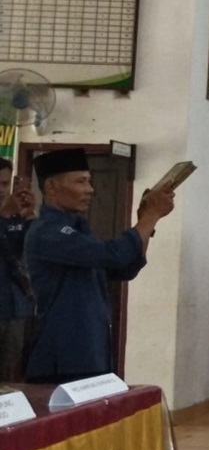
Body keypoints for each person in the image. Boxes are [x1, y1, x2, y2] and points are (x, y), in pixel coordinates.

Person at [23, 148, 175, 384]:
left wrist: (146, 221)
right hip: (63, 356)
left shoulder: (78, 230)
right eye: (81, 181)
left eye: (89, 181)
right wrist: (151, 216)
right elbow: (114, 255)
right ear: (51, 187)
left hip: (91, 351)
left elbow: (125, 268)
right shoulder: (47, 231)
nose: (90, 189)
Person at [0, 164, 35, 381]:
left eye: (4, 184)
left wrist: (29, 216)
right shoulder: (6, 215)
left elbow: (28, 254)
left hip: (14, 308)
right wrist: (3, 216)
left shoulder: (14, 216)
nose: (1, 190)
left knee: (7, 375)